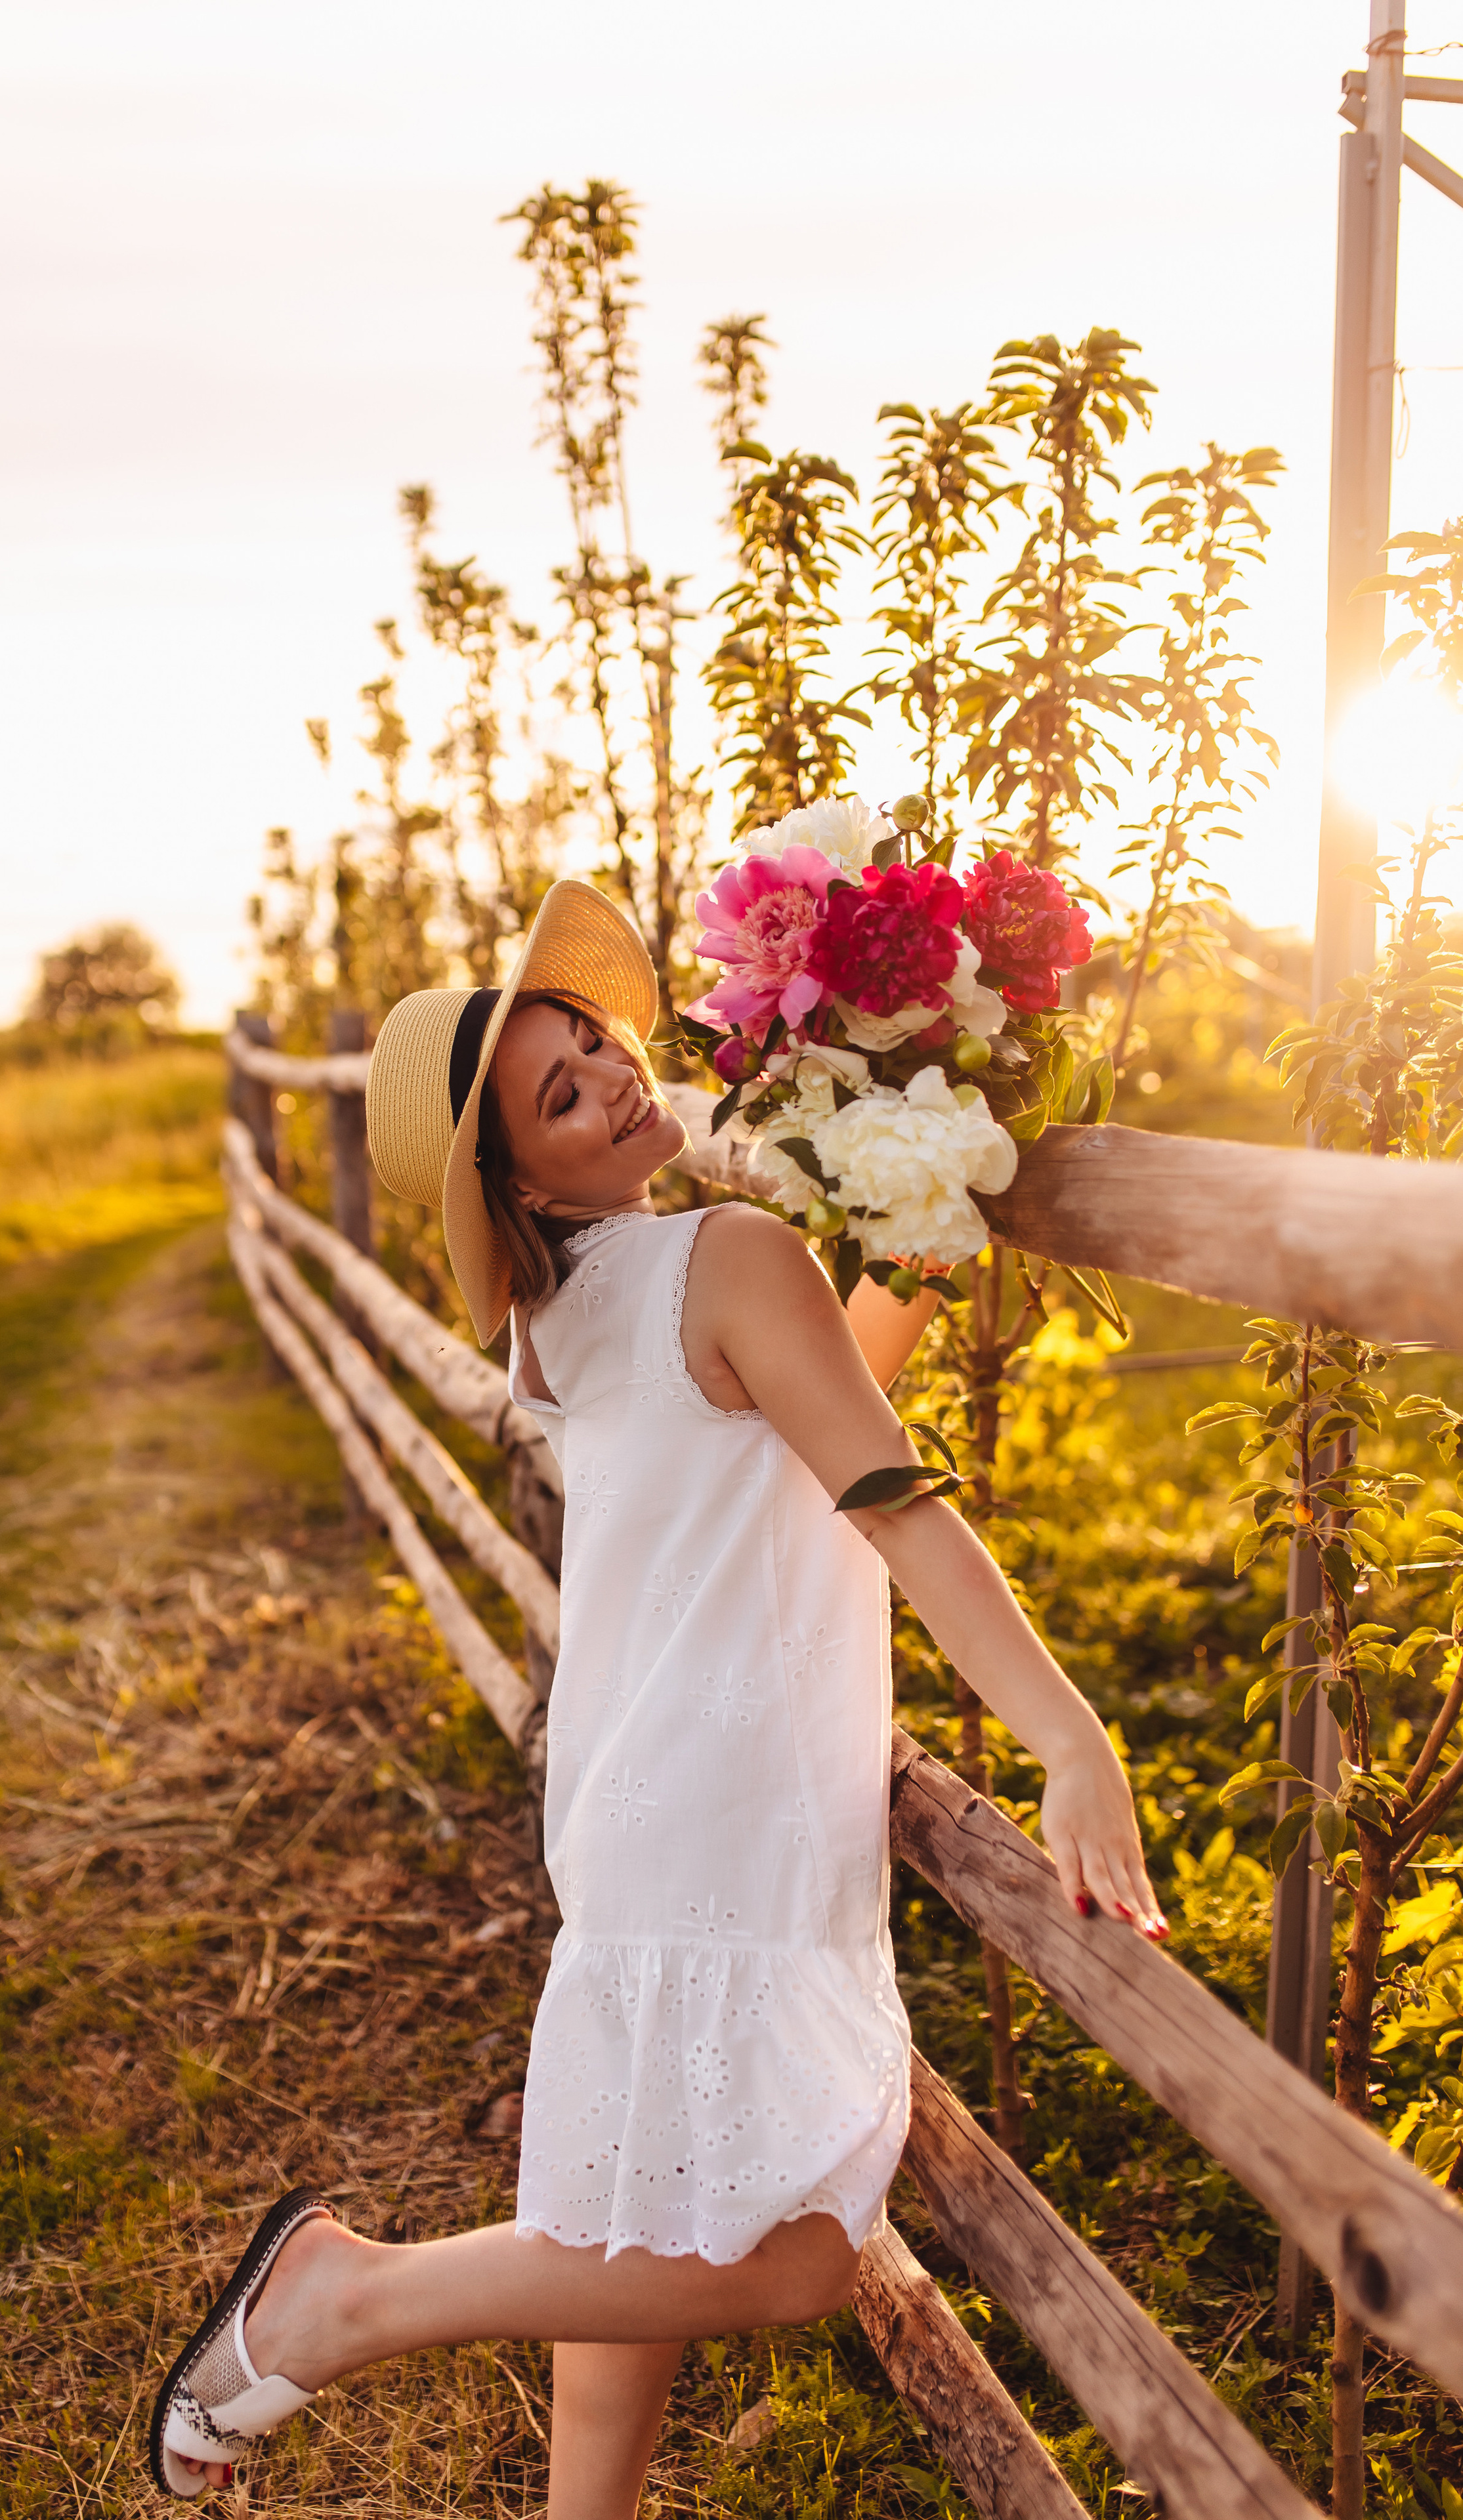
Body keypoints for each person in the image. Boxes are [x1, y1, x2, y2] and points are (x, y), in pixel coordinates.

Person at [150, 879, 1166, 2510]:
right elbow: (884, 1492)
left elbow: (796, 1400)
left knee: (628, 2221)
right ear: (519, 1181)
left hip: (641, 1808)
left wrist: (928, 1195)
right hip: (722, 1818)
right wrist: (1067, 1731)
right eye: (561, 1096)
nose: (618, 1080)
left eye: (597, 1046)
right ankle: (342, 2300)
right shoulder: (730, 1250)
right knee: (793, 2261)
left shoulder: (569, 1314)